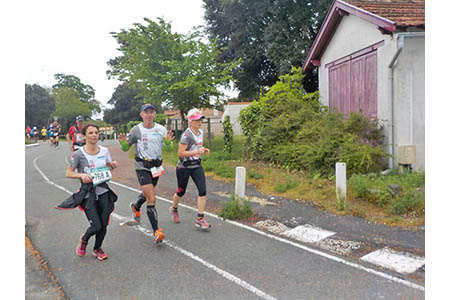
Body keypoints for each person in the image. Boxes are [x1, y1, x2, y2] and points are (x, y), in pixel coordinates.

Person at [56, 124, 118, 260]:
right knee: (96, 225)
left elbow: (107, 167)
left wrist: (112, 165)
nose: (94, 135)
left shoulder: (104, 151)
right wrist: (81, 176)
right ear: (84, 136)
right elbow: (68, 172)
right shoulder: (78, 154)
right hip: (88, 194)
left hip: (103, 193)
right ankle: (84, 240)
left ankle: (97, 249)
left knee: (104, 225)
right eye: (91, 133)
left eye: (96, 132)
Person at [118, 103, 174, 243]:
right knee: (152, 198)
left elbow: (168, 145)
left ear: (154, 114)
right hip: (142, 166)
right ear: (141, 114)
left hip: (156, 166)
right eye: (146, 112)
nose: (149, 115)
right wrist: (122, 143)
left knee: (148, 193)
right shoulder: (136, 130)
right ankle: (156, 231)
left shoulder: (161, 129)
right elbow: (126, 148)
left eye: (151, 112)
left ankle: (136, 206)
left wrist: (168, 141)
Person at [170, 108, 211, 229]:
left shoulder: (201, 133)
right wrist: (196, 151)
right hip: (184, 167)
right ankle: (174, 209)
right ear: (191, 121)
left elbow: (197, 146)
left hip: (197, 165)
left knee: (202, 191)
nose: (200, 122)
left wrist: (203, 149)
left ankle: (200, 218)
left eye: (201, 120)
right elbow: (180, 153)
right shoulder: (186, 135)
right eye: (197, 120)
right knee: (181, 192)